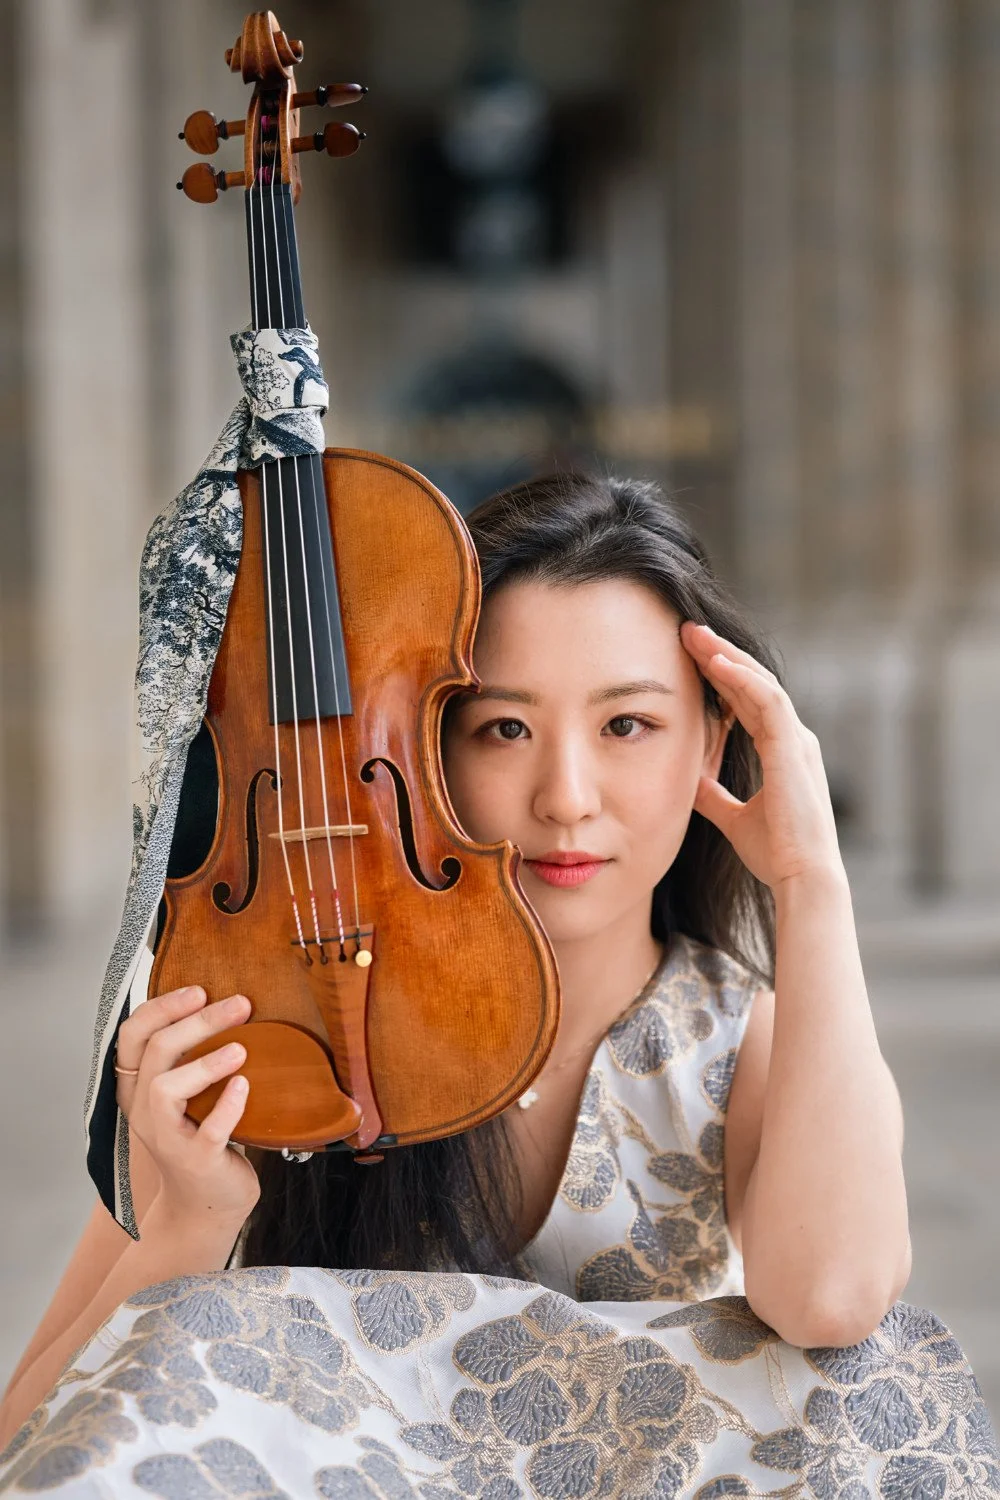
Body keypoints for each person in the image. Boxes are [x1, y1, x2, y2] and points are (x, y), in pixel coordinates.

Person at [1, 471, 996, 1497]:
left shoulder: (740, 1042)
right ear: (428, 744)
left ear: (710, 741)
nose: (564, 800)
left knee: (866, 1388)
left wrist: (809, 882)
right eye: (503, 729)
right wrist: (190, 1222)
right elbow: (33, 1441)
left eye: (627, 727)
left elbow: (832, 1303)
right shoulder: (278, 1019)